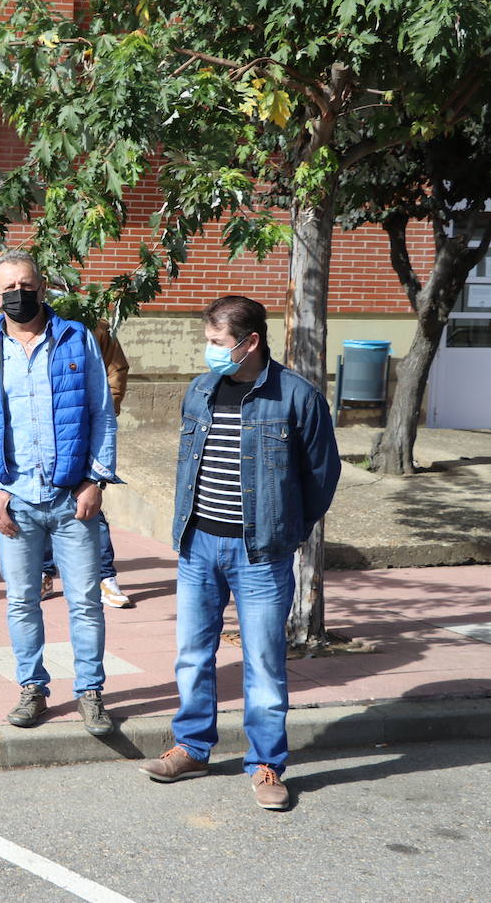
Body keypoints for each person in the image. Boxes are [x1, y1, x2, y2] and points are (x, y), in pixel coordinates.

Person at [138, 295, 340, 812]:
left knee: (265, 664)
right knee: (192, 655)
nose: (208, 352)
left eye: (216, 343)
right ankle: (192, 747)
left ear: (250, 342)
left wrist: (286, 532)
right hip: (198, 544)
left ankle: (266, 762)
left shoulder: (296, 396)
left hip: (261, 554)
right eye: (207, 340)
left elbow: (322, 477)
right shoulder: (201, 389)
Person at [0, 250, 120, 735]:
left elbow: (102, 414)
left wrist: (96, 480)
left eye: (27, 285)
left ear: (44, 287)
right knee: (21, 600)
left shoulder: (75, 339)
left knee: (86, 601)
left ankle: (90, 692)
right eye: (8, 288)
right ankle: (32, 688)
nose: (18, 295)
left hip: (72, 498)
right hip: (15, 501)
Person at [41, 320, 132, 608]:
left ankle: (105, 576)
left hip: (81, 434)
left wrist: (107, 407)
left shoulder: (92, 327)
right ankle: (44, 572)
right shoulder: (25, 328)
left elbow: (116, 369)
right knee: (38, 504)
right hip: (41, 440)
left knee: (90, 505)